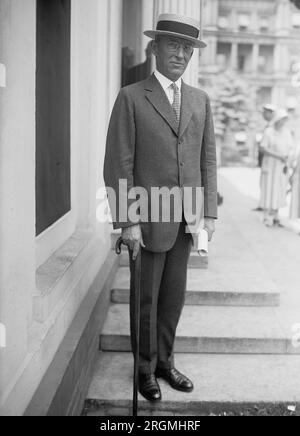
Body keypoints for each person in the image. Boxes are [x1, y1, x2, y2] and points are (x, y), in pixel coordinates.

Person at [104, 13, 217, 402]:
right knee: (146, 299)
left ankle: (166, 362)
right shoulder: (132, 97)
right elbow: (118, 163)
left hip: (186, 217)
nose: (181, 53)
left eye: (187, 48)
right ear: (155, 48)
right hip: (147, 218)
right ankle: (144, 369)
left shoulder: (201, 100)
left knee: (173, 297)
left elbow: (207, 161)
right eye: (173, 45)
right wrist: (127, 223)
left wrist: (210, 215)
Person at [260, 109, 294, 227]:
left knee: (279, 191)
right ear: (277, 119)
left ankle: (276, 216)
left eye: (285, 120)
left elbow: (290, 148)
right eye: (281, 119)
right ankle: (266, 216)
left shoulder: (287, 132)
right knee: (269, 190)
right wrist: (278, 155)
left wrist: (287, 159)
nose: (283, 122)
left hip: (281, 167)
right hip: (270, 166)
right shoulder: (269, 132)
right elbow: (263, 148)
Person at [254, 104, 276, 212]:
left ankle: (267, 206)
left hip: (271, 159)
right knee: (263, 182)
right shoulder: (267, 125)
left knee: (269, 182)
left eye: (265, 112)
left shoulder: (273, 126)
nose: (263, 114)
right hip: (264, 158)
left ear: (271, 113)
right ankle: (263, 204)